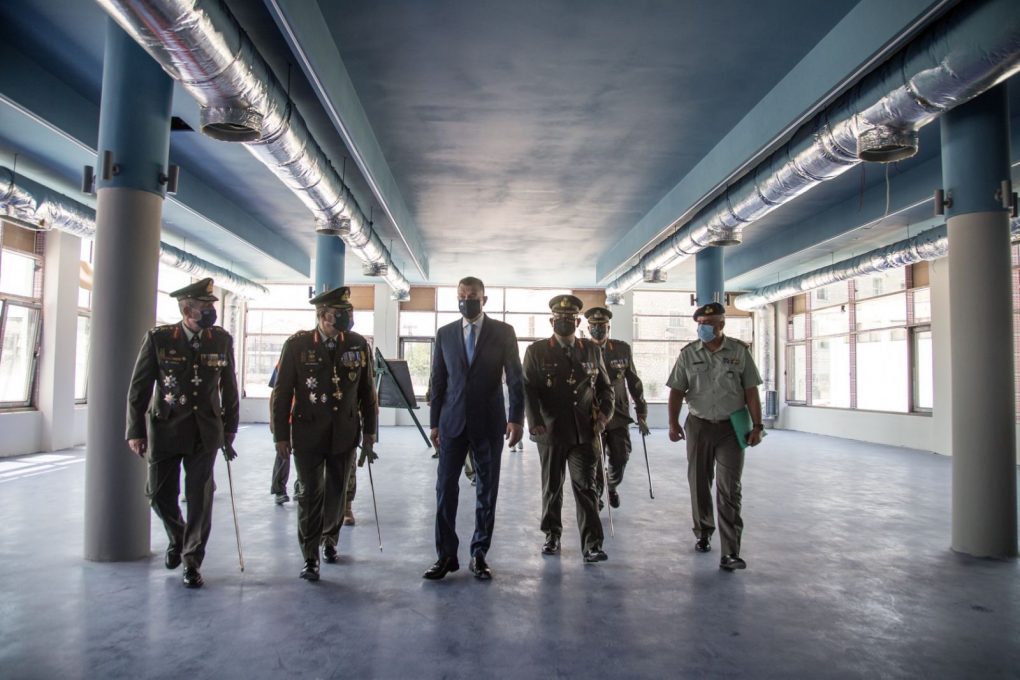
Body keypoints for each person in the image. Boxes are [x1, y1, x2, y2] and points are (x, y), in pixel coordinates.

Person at [126, 277, 239, 589]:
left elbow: (230, 388)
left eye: (211, 306)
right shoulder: (160, 338)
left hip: (205, 432)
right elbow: (139, 388)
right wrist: (135, 431)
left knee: (200, 498)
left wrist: (230, 428)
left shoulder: (221, 339)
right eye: (204, 307)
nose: (211, 312)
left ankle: (192, 560)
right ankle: (178, 535)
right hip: (166, 428)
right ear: (187, 310)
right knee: (158, 495)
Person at [272, 286, 377, 582]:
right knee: (309, 493)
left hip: (344, 432)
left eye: (349, 311)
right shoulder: (298, 344)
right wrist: (281, 435)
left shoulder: (358, 344)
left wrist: (370, 431)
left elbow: (367, 392)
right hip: (308, 432)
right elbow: (282, 393)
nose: (347, 317)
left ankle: (330, 538)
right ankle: (310, 556)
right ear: (323, 315)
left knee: (336, 492)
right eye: (340, 313)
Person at [424, 276, 524, 581]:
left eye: (472, 296)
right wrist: (434, 422)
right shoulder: (445, 334)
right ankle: (445, 556)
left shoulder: (503, 332)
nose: (466, 301)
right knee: (445, 490)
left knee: (486, 490)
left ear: (484, 299)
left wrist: (516, 418)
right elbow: (438, 380)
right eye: (462, 296)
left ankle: (479, 554)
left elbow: (515, 377)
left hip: (489, 423)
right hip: (451, 423)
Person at [666, 301, 764, 571]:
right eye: (700, 324)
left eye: (709, 324)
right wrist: (673, 423)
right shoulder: (688, 354)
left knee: (729, 488)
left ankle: (731, 551)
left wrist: (757, 426)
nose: (703, 328)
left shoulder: (739, 352)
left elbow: (751, 391)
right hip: (698, 426)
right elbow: (676, 390)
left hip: (731, 428)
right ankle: (703, 532)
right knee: (699, 482)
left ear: (721, 324)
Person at [523, 294, 614, 563]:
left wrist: (605, 415)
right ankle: (552, 535)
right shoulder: (537, 351)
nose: (565, 322)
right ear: (552, 321)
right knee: (552, 487)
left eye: (570, 318)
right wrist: (534, 421)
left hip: (585, 431)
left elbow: (605, 388)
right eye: (559, 318)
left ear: (577, 322)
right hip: (550, 431)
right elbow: (528, 389)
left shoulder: (591, 350)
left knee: (586, 487)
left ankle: (592, 545)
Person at [584, 306, 648, 509]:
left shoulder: (621, 349)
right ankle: (597, 496)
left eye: (602, 325)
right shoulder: (581, 349)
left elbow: (634, 381)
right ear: (588, 328)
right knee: (594, 459)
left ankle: (612, 485)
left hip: (618, 414)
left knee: (621, 457)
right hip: (592, 414)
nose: (598, 329)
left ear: (608, 327)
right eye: (594, 326)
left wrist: (641, 410)